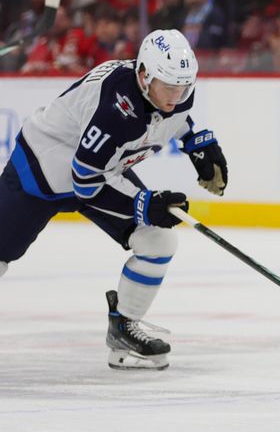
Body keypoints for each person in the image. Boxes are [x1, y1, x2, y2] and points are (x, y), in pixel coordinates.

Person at [0, 30, 228, 371]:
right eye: (169, 87)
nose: (177, 97)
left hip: (100, 169)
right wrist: (144, 203)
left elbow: (173, 116)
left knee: (159, 240)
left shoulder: (170, 90)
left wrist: (196, 141)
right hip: (43, 169)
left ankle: (124, 328)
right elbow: (84, 181)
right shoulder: (117, 109)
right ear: (144, 76)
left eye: (184, 87)